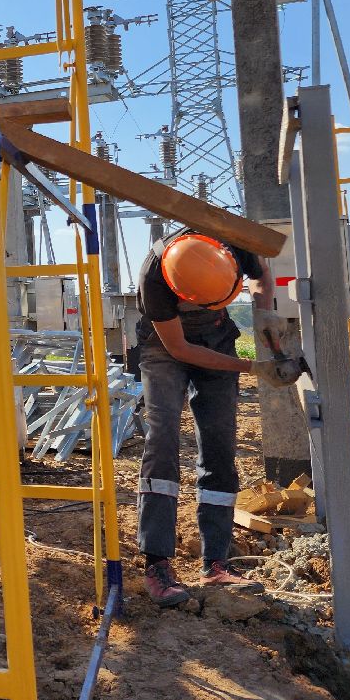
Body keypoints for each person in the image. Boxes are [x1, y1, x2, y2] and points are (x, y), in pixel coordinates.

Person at [134, 228, 297, 608]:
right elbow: (180, 348)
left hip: (218, 337)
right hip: (165, 346)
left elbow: (262, 273)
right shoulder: (154, 277)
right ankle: (156, 563)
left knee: (220, 443)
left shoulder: (231, 240)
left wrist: (264, 311)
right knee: (162, 440)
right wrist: (252, 368)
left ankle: (216, 562)